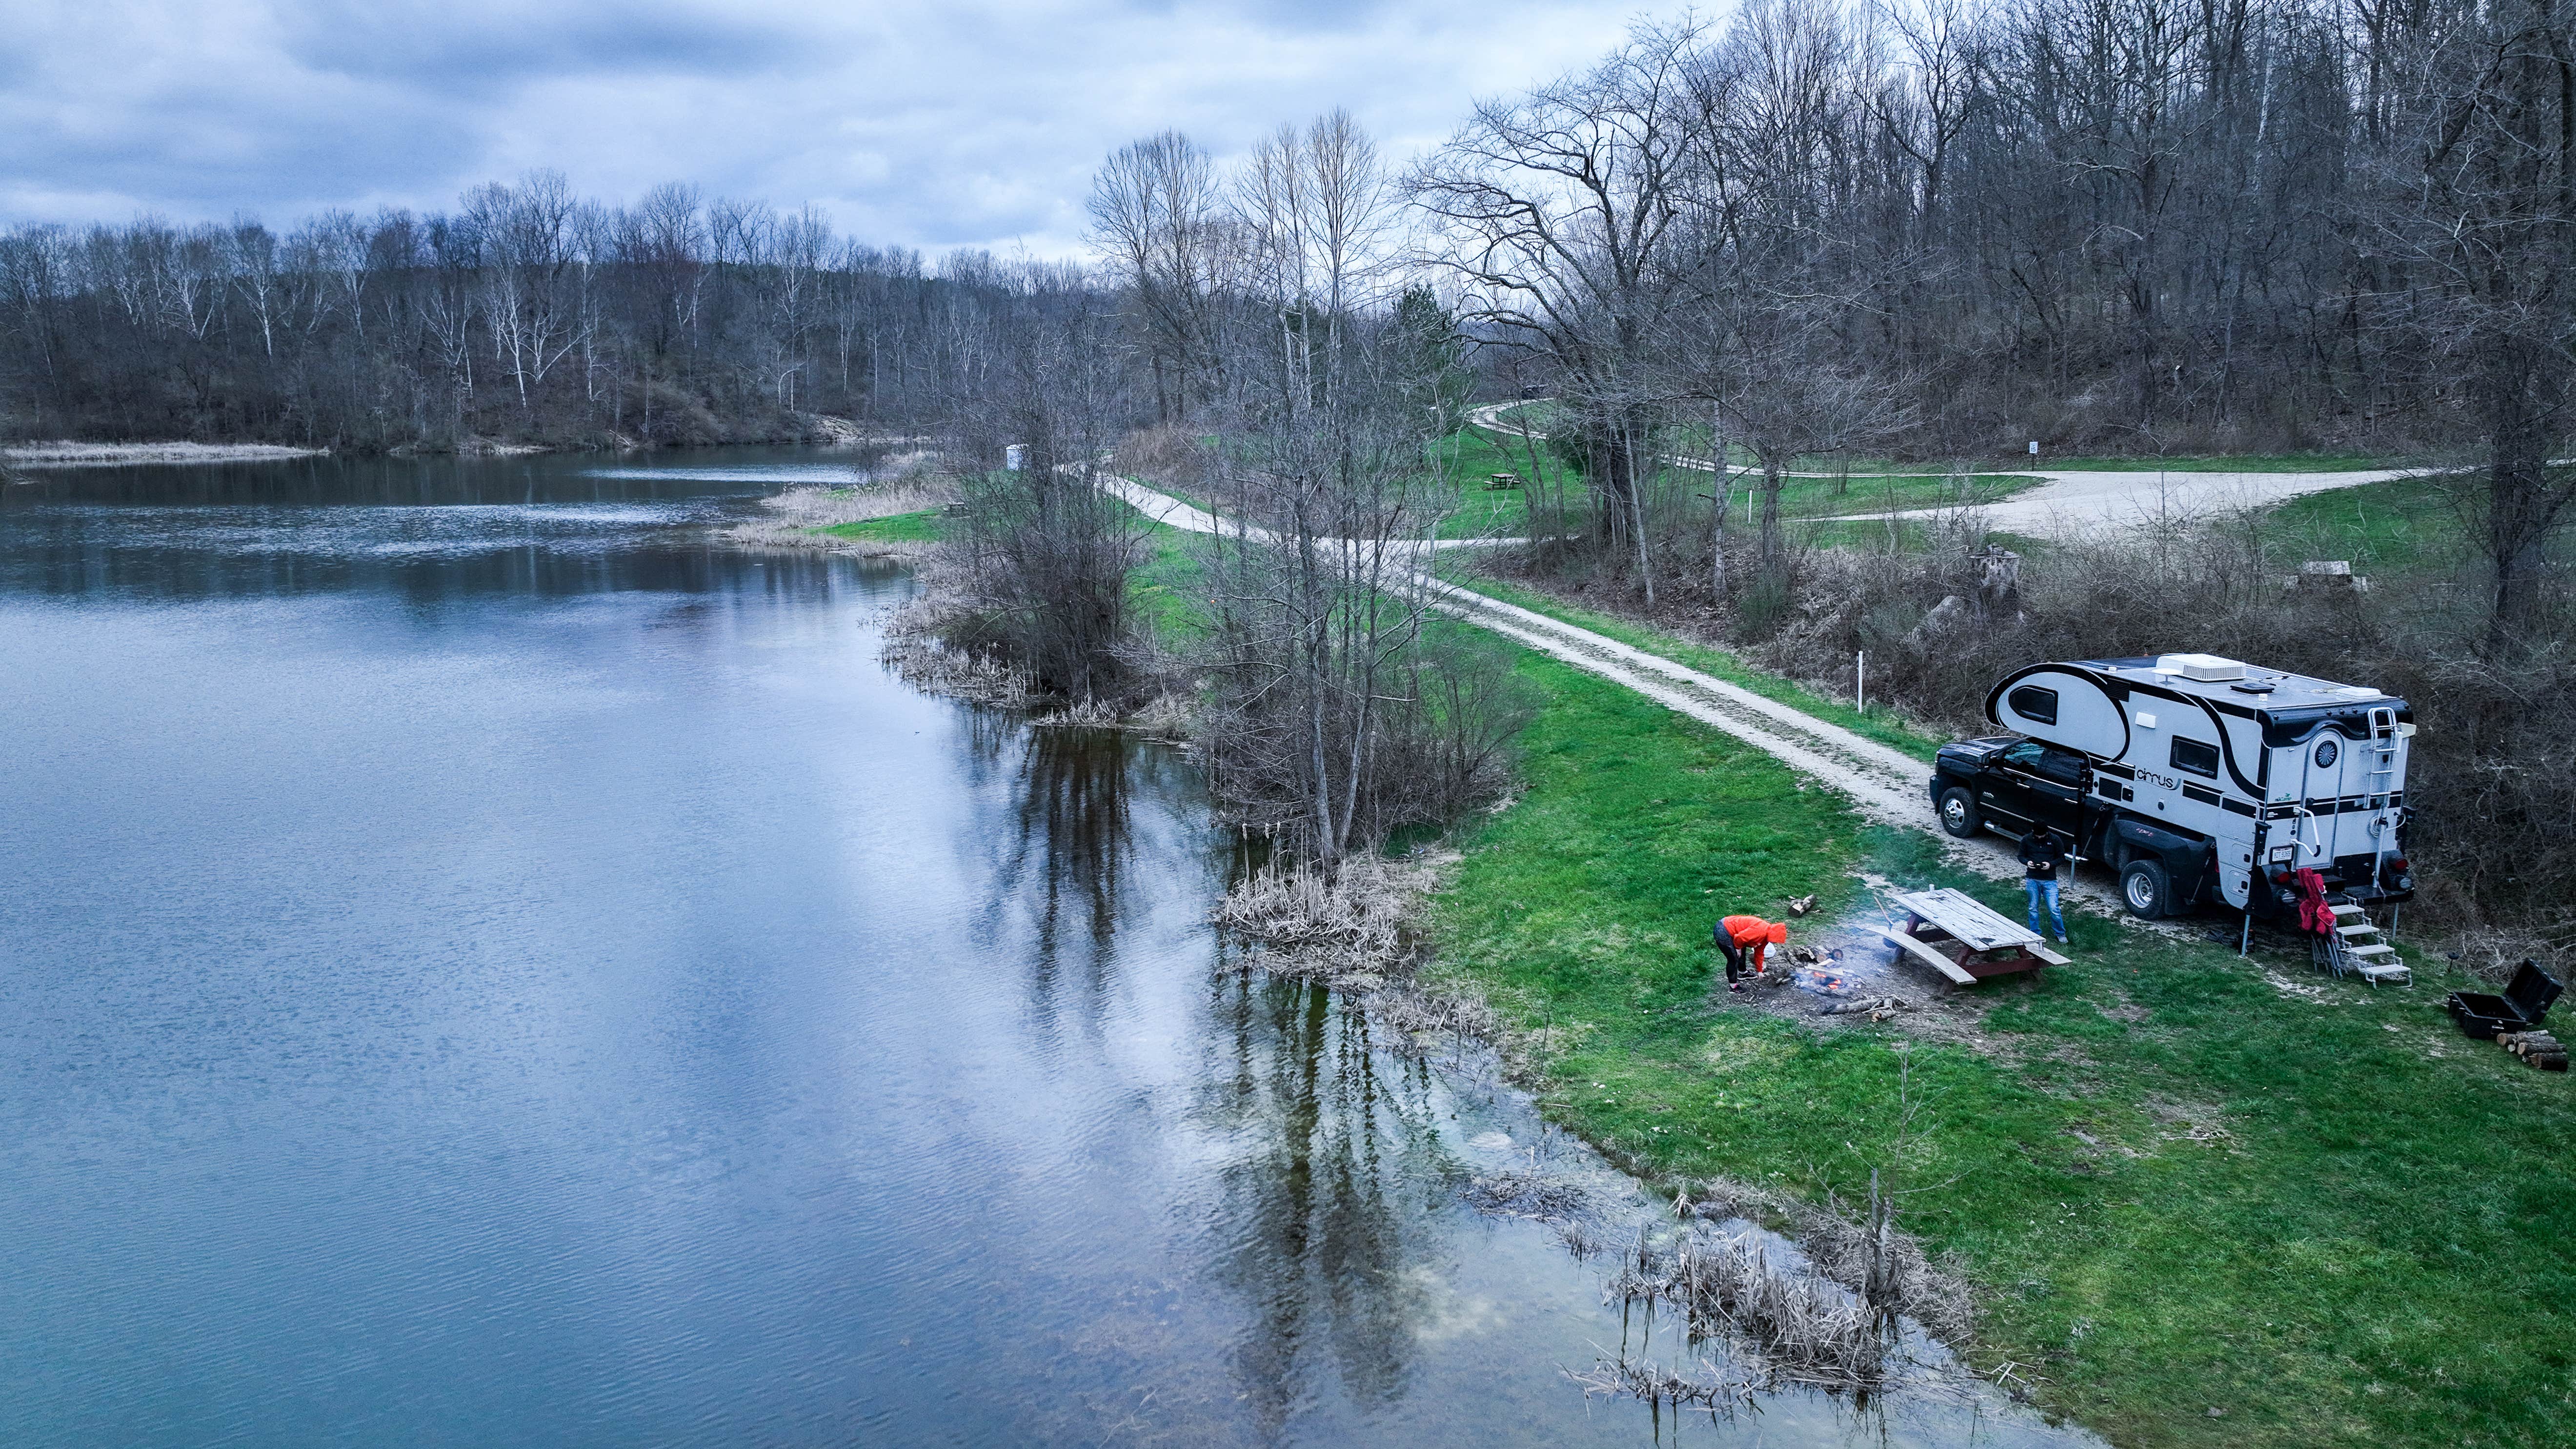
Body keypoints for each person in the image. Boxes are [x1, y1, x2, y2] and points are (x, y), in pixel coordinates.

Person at [1714, 914, 1790, 994]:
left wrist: (1760, 971)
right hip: (1724, 929)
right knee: (1733, 959)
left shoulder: (1765, 938)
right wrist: (1738, 948)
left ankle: (1743, 973)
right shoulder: (1760, 931)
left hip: (1736, 933)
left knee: (1742, 951)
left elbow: (1759, 953)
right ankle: (1733, 987)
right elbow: (1739, 938)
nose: (1775, 942)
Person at [2021, 826, 2069, 942]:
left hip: (2050, 880)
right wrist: (2027, 862)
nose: (2040, 838)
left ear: (2046, 833)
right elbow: (2021, 856)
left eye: (2042, 836)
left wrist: (2051, 865)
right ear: (2033, 832)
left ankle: (2060, 933)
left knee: (2054, 908)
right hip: (2032, 879)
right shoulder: (2026, 839)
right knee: (2033, 907)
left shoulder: (2055, 840)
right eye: (2037, 836)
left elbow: (2062, 858)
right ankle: (2035, 932)